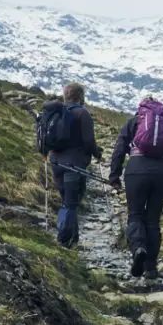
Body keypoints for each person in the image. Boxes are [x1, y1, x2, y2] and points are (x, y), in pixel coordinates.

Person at [109, 96, 163, 279]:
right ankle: (151, 267)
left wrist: (114, 176)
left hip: (137, 170)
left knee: (135, 215)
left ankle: (138, 249)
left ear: (141, 108)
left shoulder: (133, 122)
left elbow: (119, 149)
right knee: (153, 220)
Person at [46, 83, 103, 248]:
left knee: (67, 199)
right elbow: (88, 141)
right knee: (71, 202)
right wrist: (97, 153)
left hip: (56, 162)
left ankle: (74, 238)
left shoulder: (56, 113)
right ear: (80, 97)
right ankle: (63, 239)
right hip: (75, 165)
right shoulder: (82, 113)